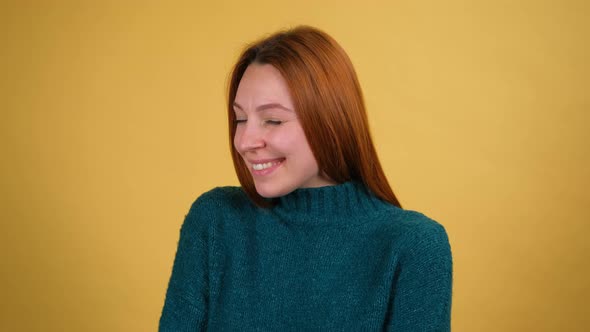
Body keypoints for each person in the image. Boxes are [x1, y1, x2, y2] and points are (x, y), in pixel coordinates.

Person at [159, 26, 452, 331]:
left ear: (330, 120)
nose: (245, 141)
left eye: (272, 120)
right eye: (240, 119)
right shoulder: (215, 219)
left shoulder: (414, 246)